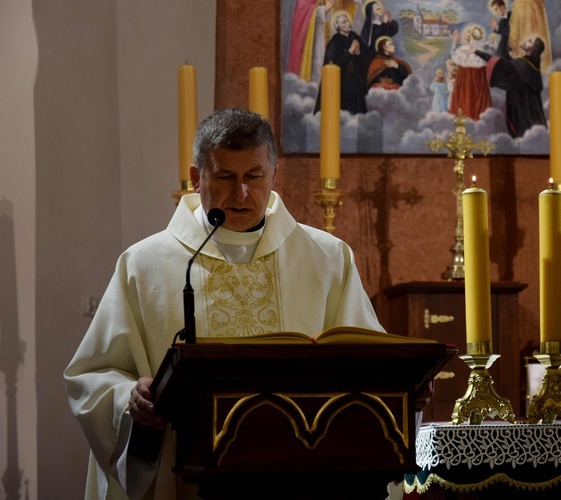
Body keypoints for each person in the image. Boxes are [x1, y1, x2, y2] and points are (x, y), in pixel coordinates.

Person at [64, 108, 432, 499]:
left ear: (275, 176)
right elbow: (92, 376)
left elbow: (367, 362)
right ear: (195, 178)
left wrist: (406, 390)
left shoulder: (326, 258)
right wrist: (129, 399)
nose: (240, 193)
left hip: (306, 478)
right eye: (225, 176)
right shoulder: (144, 264)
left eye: (254, 177)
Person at [476, 36, 548, 138]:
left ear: (533, 49)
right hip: (530, 113)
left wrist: (477, 52)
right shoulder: (533, 64)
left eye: (530, 40)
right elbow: (515, 66)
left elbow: (502, 66)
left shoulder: (523, 65)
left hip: (520, 112)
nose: (526, 39)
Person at [314, 11, 369, 115]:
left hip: (356, 82)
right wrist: (349, 52)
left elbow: (366, 55)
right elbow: (332, 64)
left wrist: (359, 52)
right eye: (344, 22)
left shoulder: (355, 37)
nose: (348, 23)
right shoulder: (334, 43)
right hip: (342, 83)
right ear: (338, 26)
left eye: (347, 20)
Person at [449, 24, 492, 121]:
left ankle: (474, 113)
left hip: (474, 77)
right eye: (467, 31)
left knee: (473, 93)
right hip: (464, 76)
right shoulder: (462, 48)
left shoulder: (478, 50)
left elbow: (480, 69)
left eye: (470, 32)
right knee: (464, 92)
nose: (466, 33)